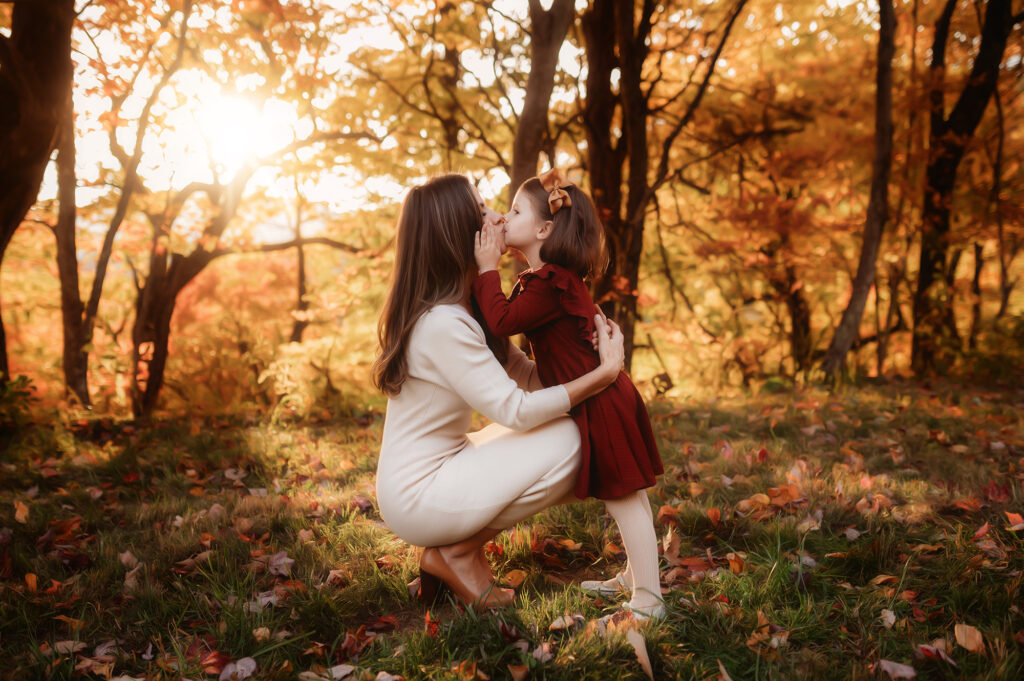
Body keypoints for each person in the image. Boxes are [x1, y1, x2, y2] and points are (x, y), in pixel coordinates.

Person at [372, 173, 626, 609]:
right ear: (457, 235)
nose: (496, 217)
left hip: (446, 463)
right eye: (482, 212)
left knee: (571, 422)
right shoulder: (443, 324)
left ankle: (453, 550)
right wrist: (602, 376)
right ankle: (455, 551)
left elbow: (524, 377)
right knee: (570, 438)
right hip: (419, 493)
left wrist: (574, 352)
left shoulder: (462, 306)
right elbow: (517, 411)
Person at [471, 169, 665, 620]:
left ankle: (649, 600)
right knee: (627, 497)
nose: (508, 215)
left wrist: (485, 269)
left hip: (601, 402)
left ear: (542, 230)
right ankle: (637, 575)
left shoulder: (548, 282)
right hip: (603, 395)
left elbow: (499, 322)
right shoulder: (545, 280)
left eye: (516, 210)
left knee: (624, 497)